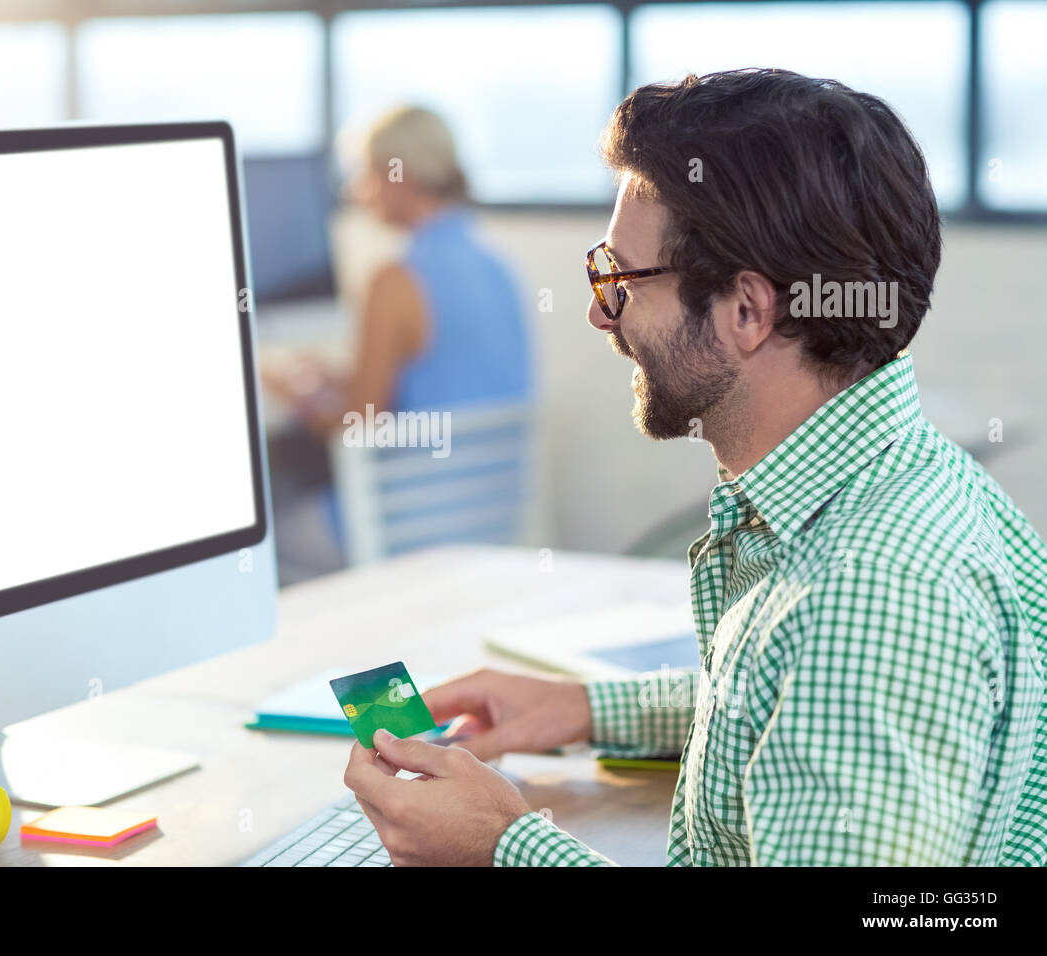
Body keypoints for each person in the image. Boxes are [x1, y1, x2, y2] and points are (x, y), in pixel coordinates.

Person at [342, 69, 1047, 866]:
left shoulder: (864, 593)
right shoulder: (919, 483)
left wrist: (507, 848)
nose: (599, 311)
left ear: (747, 311)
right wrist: (587, 708)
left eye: (621, 277)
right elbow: (806, 702)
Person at [265, 105, 532, 577]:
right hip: (489, 521)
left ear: (398, 174)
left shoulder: (394, 280)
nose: (356, 192)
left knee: (266, 530)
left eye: (363, 175)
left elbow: (355, 424)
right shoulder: (498, 268)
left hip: (405, 531)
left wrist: (292, 392)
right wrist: (340, 376)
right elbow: (445, 376)